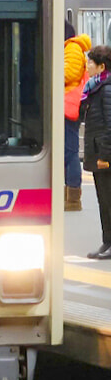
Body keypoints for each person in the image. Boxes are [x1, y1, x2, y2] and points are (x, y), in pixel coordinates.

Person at [82, 44, 111, 259]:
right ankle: (106, 241)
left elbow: (109, 125)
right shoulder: (95, 87)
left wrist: (104, 155)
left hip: (104, 155)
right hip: (97, 150)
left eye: (90, 62)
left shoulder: (107, 89)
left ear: (101, 66)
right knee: (103, 200)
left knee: (108, 200)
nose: (87, 65)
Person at [65, 22, 92, 210]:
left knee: (70, 152)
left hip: (68, 107)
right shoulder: (70, 48)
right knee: (67, 151)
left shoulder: (72, 48)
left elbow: (69, 73)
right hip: (67, 106)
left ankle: (73, 197)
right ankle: (68, 195)